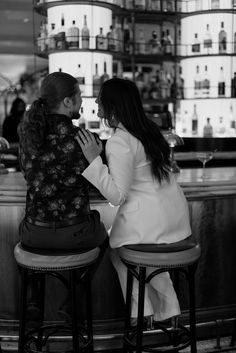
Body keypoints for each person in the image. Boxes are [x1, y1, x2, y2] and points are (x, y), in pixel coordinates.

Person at [77, 78, 192, 324]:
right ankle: (165, 312)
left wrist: (93, 160)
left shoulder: (119, 140)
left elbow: (117, 196)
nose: (96, 100)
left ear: (114, 105)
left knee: (118, 251)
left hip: (150, 223)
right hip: (175, 220)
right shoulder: (148, 129)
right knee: (139, 256)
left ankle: (141, 315)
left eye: (100, 97)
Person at [18, 71, 108, 319]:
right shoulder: (85, 140)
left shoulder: (28, 136)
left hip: (33, 234)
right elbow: (105, 186)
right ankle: (72, 301)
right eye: (78, 96)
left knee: (27, 227)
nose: (82, 102)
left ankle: (34, 300)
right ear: (67, 102)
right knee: (105, 237)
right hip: (74, 235)